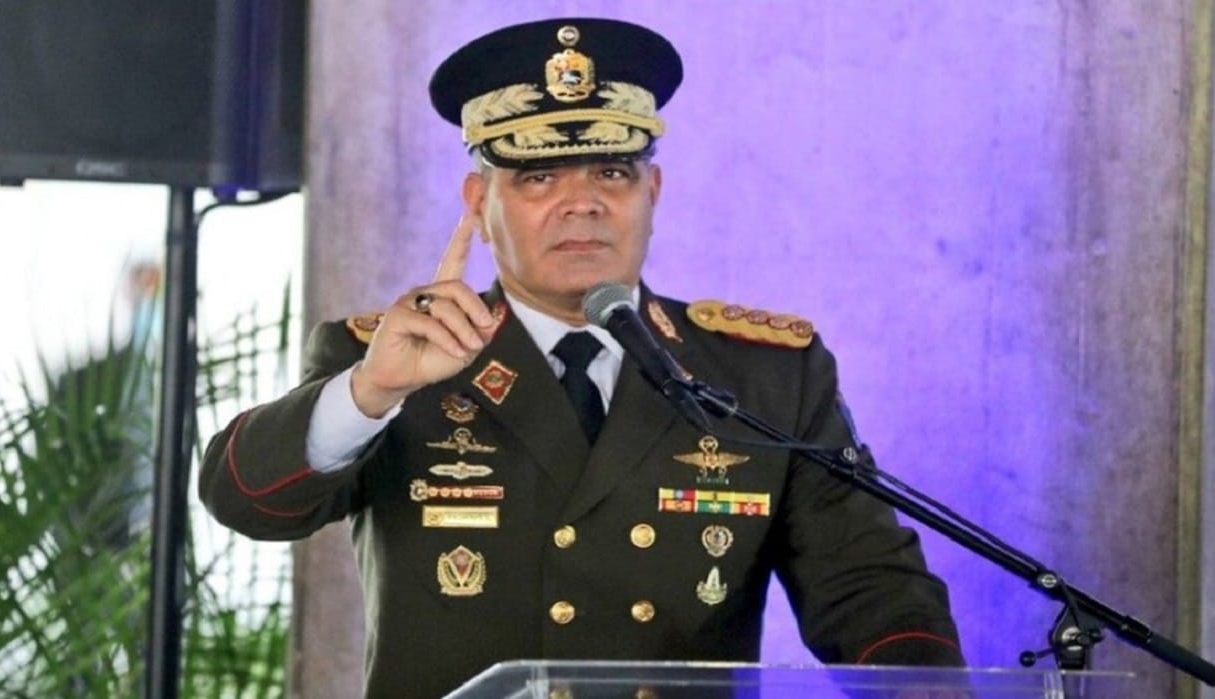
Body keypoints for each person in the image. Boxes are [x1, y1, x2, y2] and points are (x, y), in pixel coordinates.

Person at [200, 17, 963, 698]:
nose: (583, 202)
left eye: (612, 172)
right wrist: (370, 390)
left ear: (653, 191)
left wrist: (924, 686)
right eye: (539, 176)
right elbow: (245, 500)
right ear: (478, 204)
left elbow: (870, 588)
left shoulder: (763, 374)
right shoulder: (395, 357)